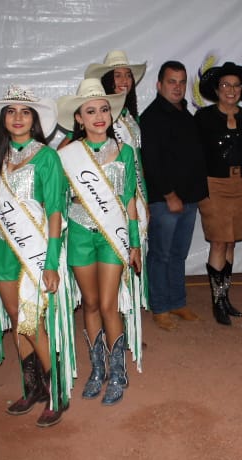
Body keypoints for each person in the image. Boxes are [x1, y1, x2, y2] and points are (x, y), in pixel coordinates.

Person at [0, 85, 71, 426]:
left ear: (34, 120)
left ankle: (58, 391)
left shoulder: (46, 157)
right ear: (3, 119)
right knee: (18, 323)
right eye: (11, 111)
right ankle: (34, 388)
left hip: (34, 251)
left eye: (25, 112)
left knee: (32, 324)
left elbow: (54, 212)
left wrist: (50, 262)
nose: (17, 118)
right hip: (1, 248)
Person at [57, 78, 141, 405]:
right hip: (78, 233)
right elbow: (55, 198)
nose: (99, 116)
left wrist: (134, 243)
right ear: (79, 118)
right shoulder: (67, 155)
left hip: (112, 236)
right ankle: (97, 369)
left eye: (104, 109)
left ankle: (118, 370)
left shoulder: (126, 152)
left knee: (108, 304)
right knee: (89, 304)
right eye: (90, 111)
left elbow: (130, 200)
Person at [141, 61, 208, 331]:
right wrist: (170, 195)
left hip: (188, 198)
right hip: (165, 200)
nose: (177, 87)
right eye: (172, 81)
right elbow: (152, 162)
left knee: (178, 253)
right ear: (159, 85)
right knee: (161, 254)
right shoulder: (152, 117)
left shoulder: (185, 114)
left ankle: (177, 301)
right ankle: (160, 307)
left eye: (181, 82)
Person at [84, 50, 149, 312]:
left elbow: (137, 165)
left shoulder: (131, 117)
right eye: (117, 74)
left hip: (130, 199)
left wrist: (144, 200)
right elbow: (70, 150)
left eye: (128, 75)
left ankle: (122, 322)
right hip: (105, 202)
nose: (123, 80)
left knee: (128, 258)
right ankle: (111, 320)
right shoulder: (100, 116)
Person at [195, 62, 242, 326]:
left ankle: (225, 297)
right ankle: (217, 301)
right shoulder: (203, 117)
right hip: (213, 185)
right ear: (217, 89)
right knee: (219, 242)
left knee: (231, 242)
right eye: (225, 85)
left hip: (241, 183)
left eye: (236, 85)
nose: (231, 90)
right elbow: (194, 156)